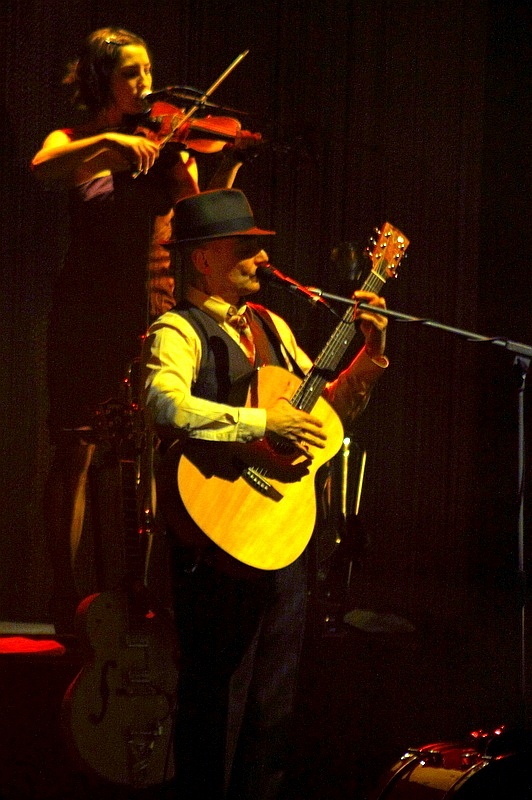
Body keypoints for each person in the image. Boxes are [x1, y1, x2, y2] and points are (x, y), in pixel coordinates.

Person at [141, 188, 389, 799]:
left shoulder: (273, 326)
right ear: (202, 259)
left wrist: (371, 353)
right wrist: (260, 424)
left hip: (282, 539)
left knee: (271, 714)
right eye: (245, 248)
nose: (259, 258)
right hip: (215, 538)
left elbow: (324, 417)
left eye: (259, 248)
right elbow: (162, 402)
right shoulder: (177, 329)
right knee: (214, 707)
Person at [30, 27, 246, 631]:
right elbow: (43, 167)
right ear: (103, 79)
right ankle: (65, 596)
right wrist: (112, 141)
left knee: (152, 455)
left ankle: (142, 591)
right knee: (75, 450)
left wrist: (226, 170)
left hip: (149, 311)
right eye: (132, 73)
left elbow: (199, 223)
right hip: (84, 312)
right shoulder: (77, 141)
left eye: (148, 70)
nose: (147, 83)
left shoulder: (170, 148)